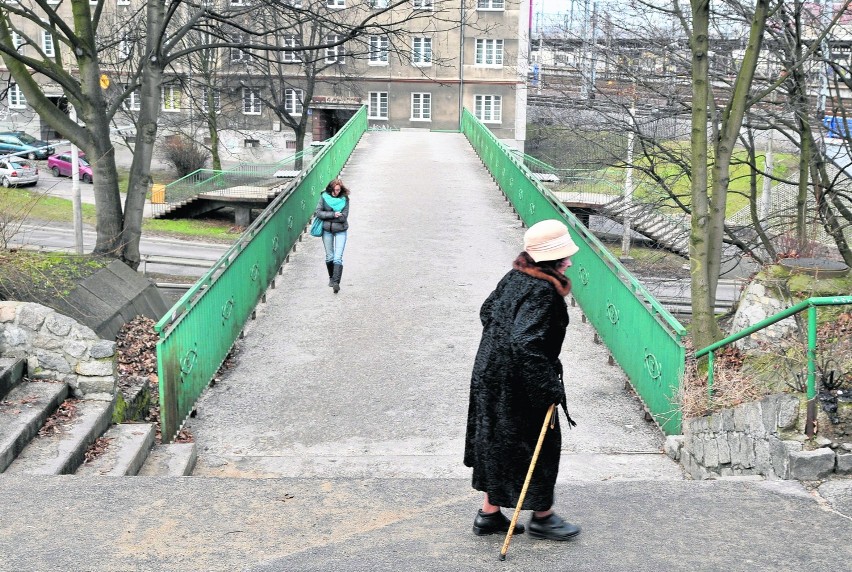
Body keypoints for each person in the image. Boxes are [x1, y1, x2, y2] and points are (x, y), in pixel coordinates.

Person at [464, 219, 582, 541]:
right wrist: (548, 388)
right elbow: (526, 342)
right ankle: (543, 518)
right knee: (539, 446)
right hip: (519, 382)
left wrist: (497, 348)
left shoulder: (515, 276)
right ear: (550, 260)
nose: (569, 262)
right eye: (564, 257)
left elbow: (488, 311)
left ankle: (489, 515)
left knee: (495, 442)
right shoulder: (544, 291)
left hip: (489, 374)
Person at [315, 179, 350, 293]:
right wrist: (333, 214)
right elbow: (318, 212)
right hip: (327, 230)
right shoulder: (324, 197)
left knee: (337, 257)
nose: (337, 192)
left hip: (341, 230)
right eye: (335, 190)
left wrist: (328, 217)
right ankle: (331, 278)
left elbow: (343, 217)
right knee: (329, 256)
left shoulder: (345, 199)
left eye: (339, 190)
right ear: (331, 189)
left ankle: (336, 282)